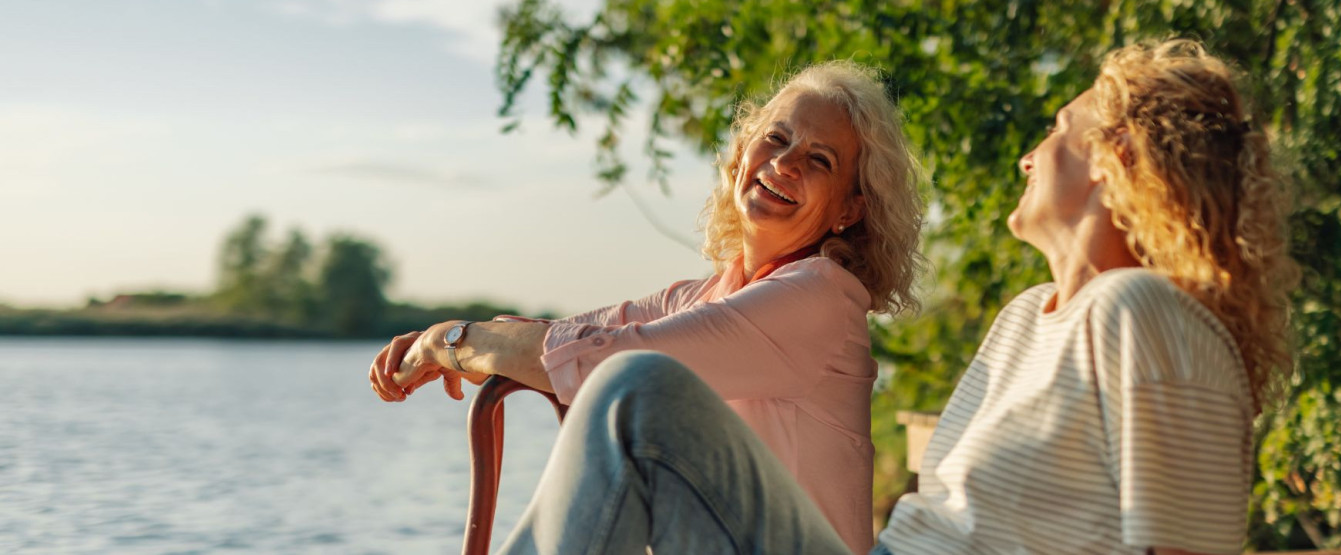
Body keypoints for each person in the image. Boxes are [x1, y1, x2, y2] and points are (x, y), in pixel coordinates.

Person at [485, 38, 1300, 555]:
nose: (1029, 155)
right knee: (634, 395)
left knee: (637, 389)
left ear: (1116, 159)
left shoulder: (1147, 315)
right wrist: (474, 337)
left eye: (1057, 130)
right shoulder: (1025, 319)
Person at [367, 60, 926, 554]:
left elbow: (616, 362)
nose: (784, 163)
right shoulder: (705, 296)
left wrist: (451, 342)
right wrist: (455, 338)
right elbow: (567, 335)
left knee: (637, 386)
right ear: (742, 153)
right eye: (776, 138)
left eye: (819, 160)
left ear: (850, 210)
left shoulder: (820, 297)